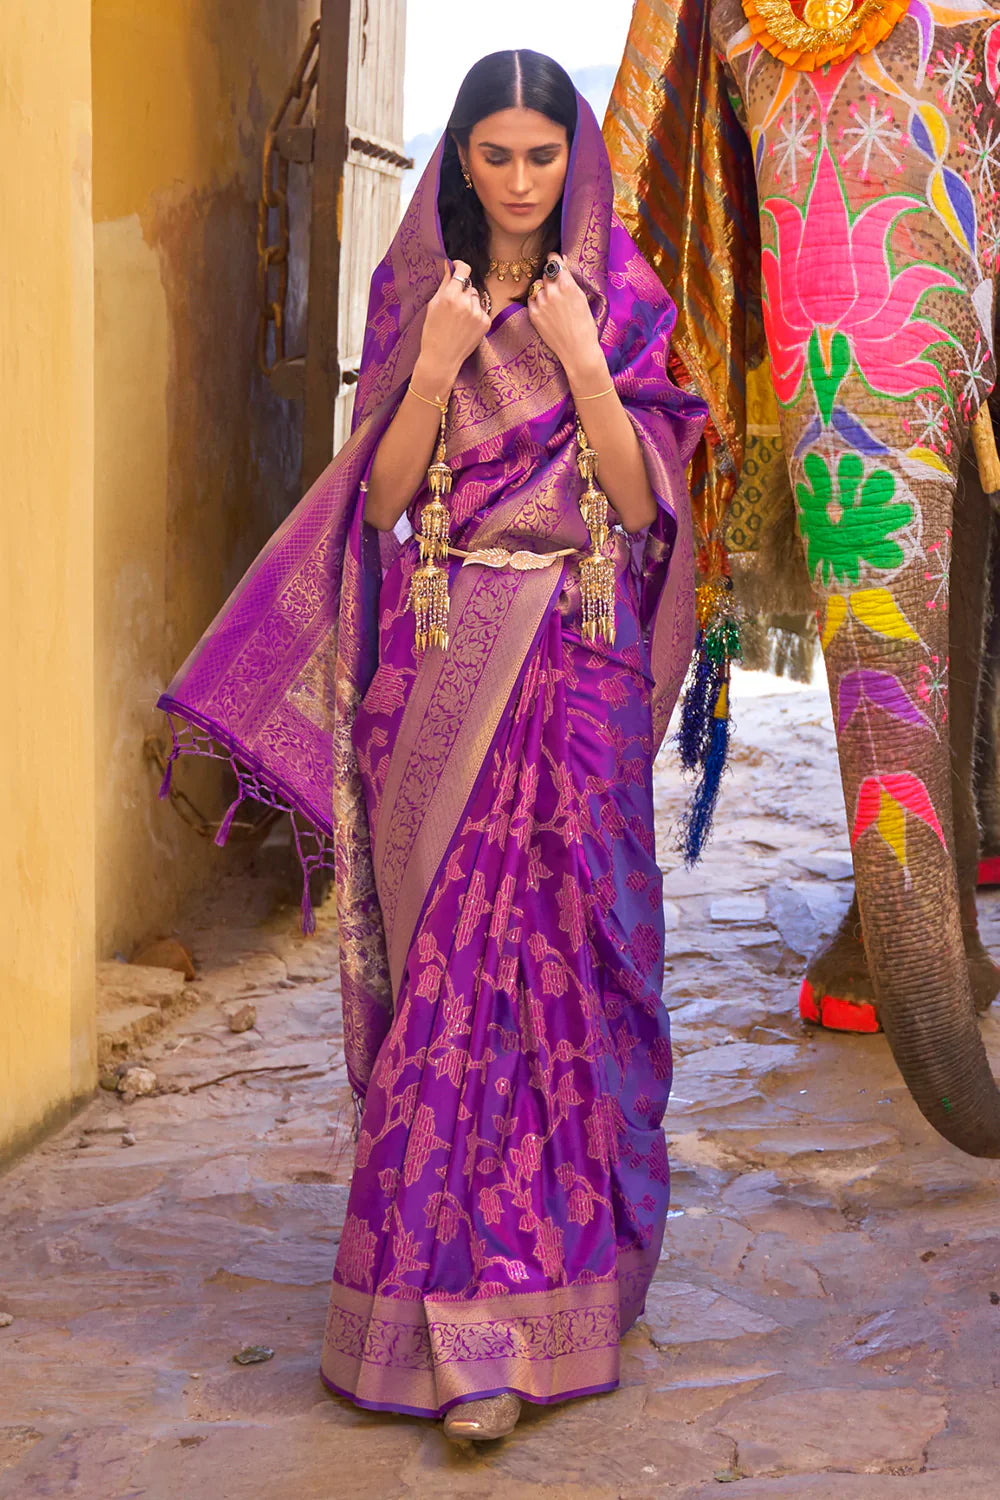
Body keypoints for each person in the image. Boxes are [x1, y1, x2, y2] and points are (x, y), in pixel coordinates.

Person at [157, 50, 706, 1442]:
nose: (520, 182)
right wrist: (440, 366)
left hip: (575, 675)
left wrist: (583, 362)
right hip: (447, 668)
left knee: (574, 986)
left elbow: (645, 505)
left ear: (570, 160)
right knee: (454, 987)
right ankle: (442, 1327)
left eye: (541, 157)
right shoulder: (423, 299)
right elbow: (387, 498)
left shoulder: (620, 303)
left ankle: (554, 1299)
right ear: (461, 159)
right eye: (495, 156)